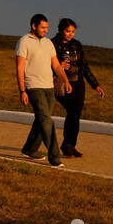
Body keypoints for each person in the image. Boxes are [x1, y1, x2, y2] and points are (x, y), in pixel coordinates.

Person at [16, 13, 70, 168]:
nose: (46, 30)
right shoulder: (24, 42)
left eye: (47, 27)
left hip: (49, 87)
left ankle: (30, 149)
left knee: (42, 119)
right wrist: (22, 91)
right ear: (34, 26)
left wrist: (65, 80)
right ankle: (54, 157)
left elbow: (56, 66)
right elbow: (19, 68)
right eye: (43, 27)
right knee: (47, 120)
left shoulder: (48, 43)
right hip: (33, 86)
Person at [52, 17, 104, 157]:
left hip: (79, 84)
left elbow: (84, 66)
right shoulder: (52, 44)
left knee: (75, 114)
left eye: (73, 31)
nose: (70, 34)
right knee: (73, 112)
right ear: (60, 30)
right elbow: (45, 65)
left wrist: (95, 85)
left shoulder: (77, 45)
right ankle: (68, 145)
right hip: (62, 83)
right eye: (67, 31)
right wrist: (57, 67)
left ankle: (70, 145)